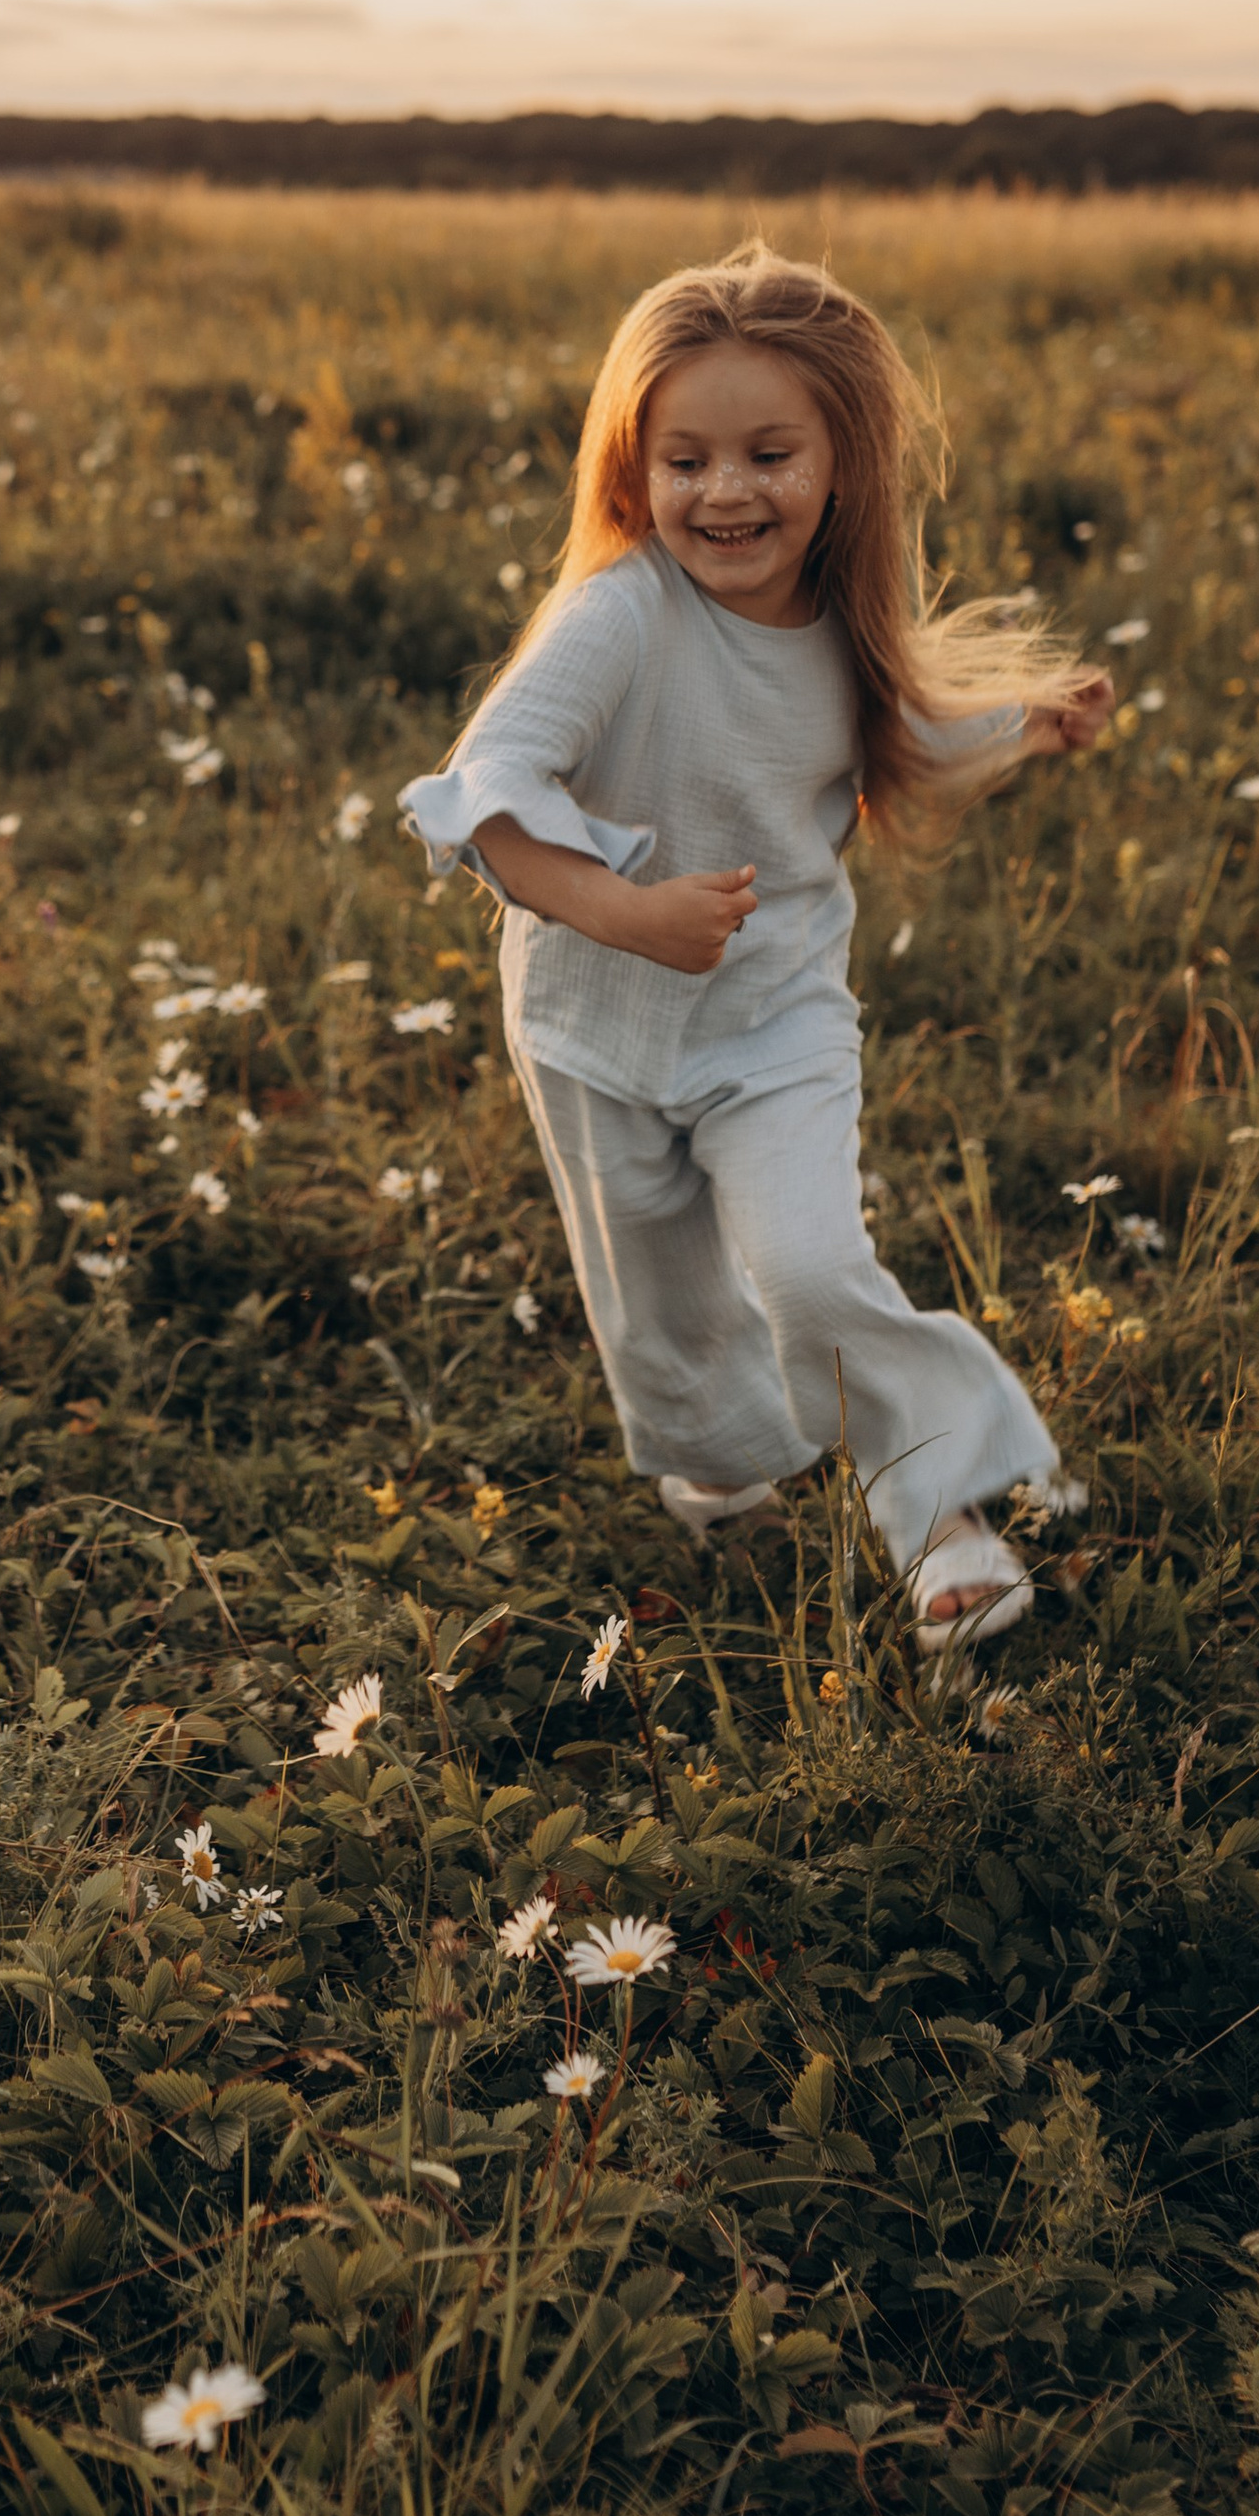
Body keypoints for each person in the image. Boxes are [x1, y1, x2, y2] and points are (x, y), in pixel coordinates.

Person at [402, 244, 1112, 1651]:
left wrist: (1021, 724)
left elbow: (893, 748)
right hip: (592, 1029)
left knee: (804, 1271)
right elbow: (480, 799)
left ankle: (945, 1511)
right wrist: (625, 913)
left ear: (842, 461)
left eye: (769, 453)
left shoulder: (841, 621)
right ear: (636, 468)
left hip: (772, 1019)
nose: (725, 493)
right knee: (661, 1314)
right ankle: (727, 1477)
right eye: (687, 459)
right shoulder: (617, 616)